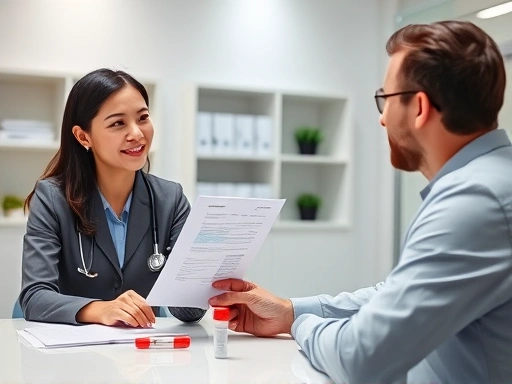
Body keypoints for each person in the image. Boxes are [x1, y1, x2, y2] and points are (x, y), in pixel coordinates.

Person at [209, 20, 512, 383]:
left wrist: (303, 325)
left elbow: (360, 357)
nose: (382, 119)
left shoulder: (475, 202)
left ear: (418, 107)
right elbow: (399, 296)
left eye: (384, 99)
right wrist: (290, 312)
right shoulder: (487, 184)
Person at [20, 68, 205, 326]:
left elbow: (190, 313)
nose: (137, 134)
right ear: (83, 136)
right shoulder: (52, 199)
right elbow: (34, 298)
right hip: (73, 358)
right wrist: (101, 310)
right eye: (118, 123)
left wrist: (201, 274)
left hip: (146, 356)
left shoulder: (169, 199)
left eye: (143, 118)